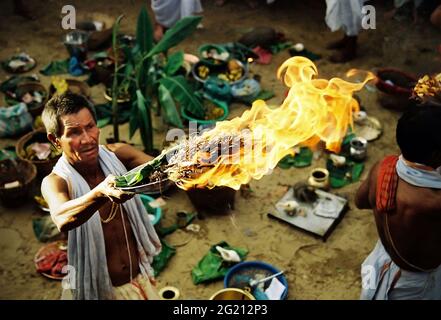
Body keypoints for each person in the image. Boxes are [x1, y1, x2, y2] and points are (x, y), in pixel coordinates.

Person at [40, 93, 162, 300]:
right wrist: (100, 193)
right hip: (101, 291)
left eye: (90, 127)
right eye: (75, 132)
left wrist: (186, 160)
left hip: (138, 276)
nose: (87, 139)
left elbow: (159, 169)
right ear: (56, 141)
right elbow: (61, 218)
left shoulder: (119, 154)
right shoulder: (56, 182)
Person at [355, 104, 441, 300]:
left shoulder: (382, 168)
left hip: (384, 259)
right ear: (436, 155)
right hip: (415, 286)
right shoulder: (433, 203)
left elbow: (360, 201)